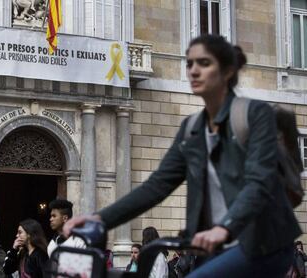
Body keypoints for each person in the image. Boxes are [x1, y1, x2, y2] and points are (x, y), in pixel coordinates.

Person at [63, 34, 302, 277]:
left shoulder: (254, 114)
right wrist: (99, 219)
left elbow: (259, 181)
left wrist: (224, 228)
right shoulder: (192, 129)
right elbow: (157, 186)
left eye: (204, 63)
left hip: (262, 243)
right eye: (190, 64)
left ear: (228, 71)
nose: (194, 71)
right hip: (214, 248)